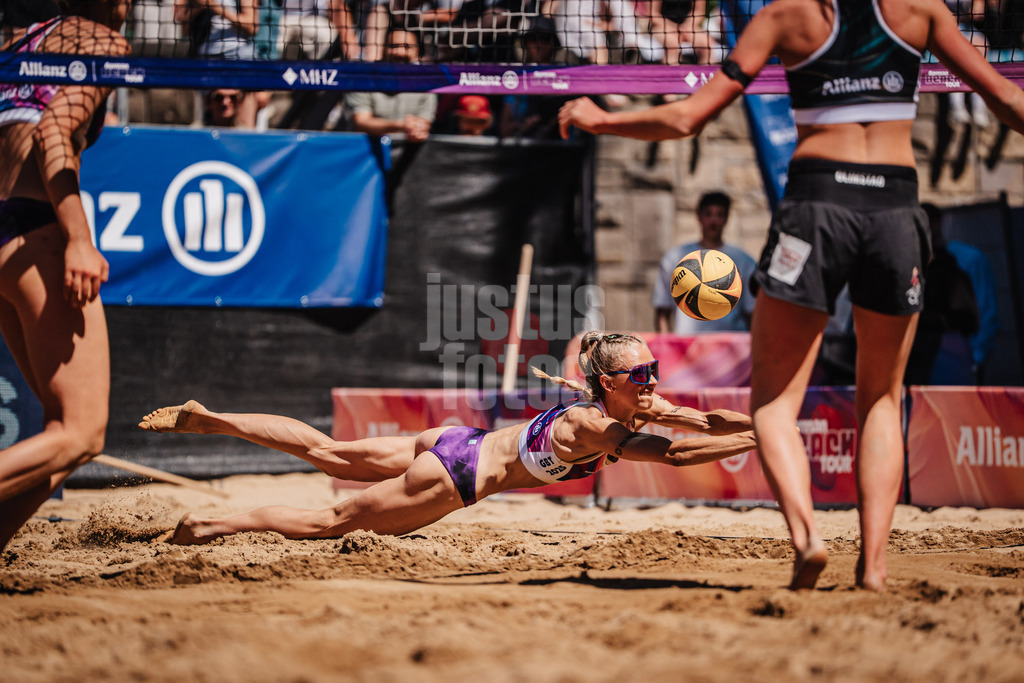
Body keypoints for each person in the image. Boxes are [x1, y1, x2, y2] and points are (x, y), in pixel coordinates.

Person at [559, 0, 1024, 591]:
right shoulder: (921, 10)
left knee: (775, 405)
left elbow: (686, 119)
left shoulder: (785, 16)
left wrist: (601, 119)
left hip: (817, 204)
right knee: (882, 398)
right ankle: (874, 570)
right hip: (894, 209)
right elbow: (1007, 99)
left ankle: (807, 538)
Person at [137, 332, 757, 544]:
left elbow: (701, 423)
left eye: (655, 370)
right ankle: (209, 528)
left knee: (326, 452)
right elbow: (675, 454)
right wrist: (758, 446)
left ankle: (208, 418)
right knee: (331, 523)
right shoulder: (592, 423)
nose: (654, 380)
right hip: (455, 476)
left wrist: (758, 425)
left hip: (458, 439)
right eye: (642, 373)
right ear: (608, 384)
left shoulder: (630, 402)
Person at [0, 0, 131, 552]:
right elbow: (55, 132)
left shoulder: (22, 42)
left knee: (60, 433)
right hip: (37, 229)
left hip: (6, 230)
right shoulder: (100, 40)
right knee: (81, 434)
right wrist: (78, 235)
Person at [651, 190, 757, 334]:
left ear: (726, 219)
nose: (713, 221)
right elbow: (662, 311)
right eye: (708, 214)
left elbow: (753, 314)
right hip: (686, 347)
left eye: (719, 215)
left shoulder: (744, 262)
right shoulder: (674, 259)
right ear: (699, 216)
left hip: (731, 348)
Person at [345, 28, 437, 144]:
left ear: (417, 51)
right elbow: (361, 122)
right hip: (364, 149)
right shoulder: (363, 77)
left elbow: (423, 123)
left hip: (408, 148)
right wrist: (402, 125)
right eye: (393, 46)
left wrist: (416, 128)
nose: (400, 52)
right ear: (382, 48)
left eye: (407, 47)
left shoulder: (426, 81)